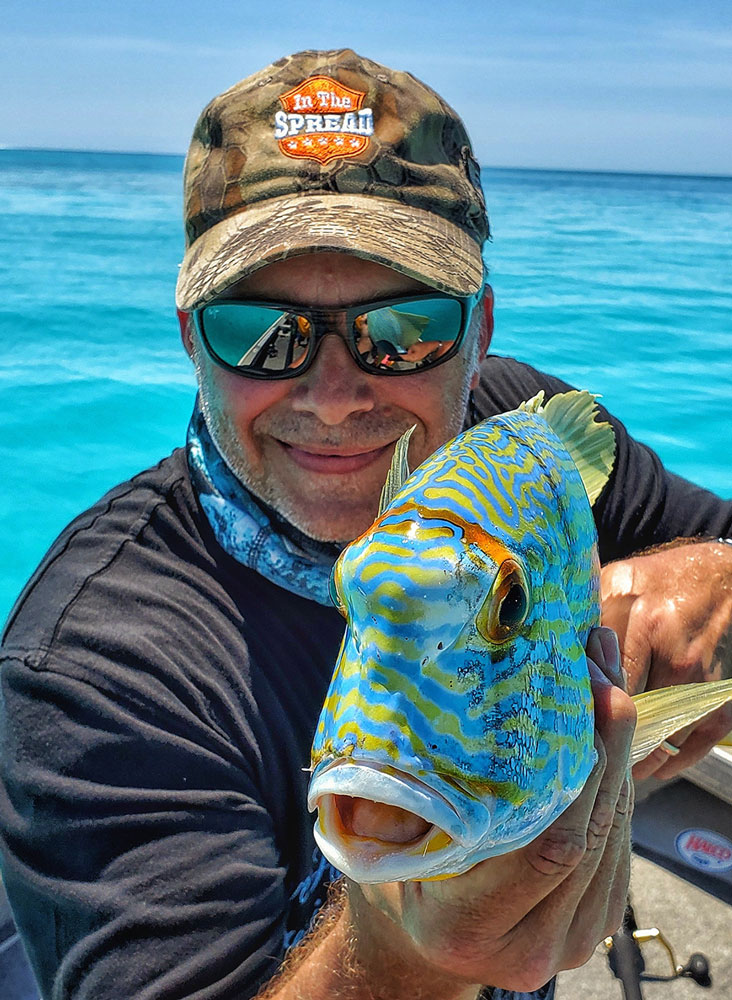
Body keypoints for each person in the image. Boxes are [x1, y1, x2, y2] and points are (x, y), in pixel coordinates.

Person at [0, 48, 730, 1000]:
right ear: (189, 336)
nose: (337, 397)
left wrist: (710, 575)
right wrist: (404, 964)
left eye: (404, 329)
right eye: (261, 332)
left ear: (479, 333)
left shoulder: (518, 449)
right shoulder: (94, 671)